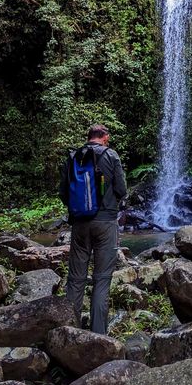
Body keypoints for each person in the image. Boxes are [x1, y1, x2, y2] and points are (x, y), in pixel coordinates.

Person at [59, 123, 127, 334]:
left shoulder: (73, 157)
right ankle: (99, 336)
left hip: (80, 224)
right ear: (104, 137)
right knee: (102, 280)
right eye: (108, 137)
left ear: (89, 137)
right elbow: (122, 189)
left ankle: (70, 332)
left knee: (76, 279)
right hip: (106, 224)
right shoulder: (111, 155)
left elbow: (63, 193)